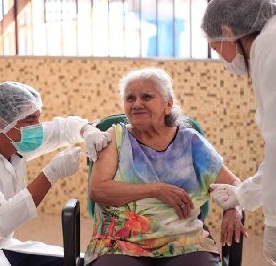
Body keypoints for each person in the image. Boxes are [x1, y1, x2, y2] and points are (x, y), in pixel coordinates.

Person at [0, 81, 111, 266]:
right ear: (0, 123)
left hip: (0, 248)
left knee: (76, 262)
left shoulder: (14, 142)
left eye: (38, 118)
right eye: (30, 120)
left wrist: (88, 130)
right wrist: (51, 174)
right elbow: (1, 222)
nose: (37, 127)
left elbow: (62, 129)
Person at [83, 68, 246, 266]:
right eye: (130, 98)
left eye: (147, 97)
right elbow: (99, 190)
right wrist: (156, 189)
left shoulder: (191, 141)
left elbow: (233, 184)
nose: (137, 104)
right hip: (119, 243)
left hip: (184, 241)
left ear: (168, 104)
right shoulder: (114, 138)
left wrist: (233, 209)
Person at [201, 0, 276, 264]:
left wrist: (244, 195)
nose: (224, 61)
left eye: (217, 48)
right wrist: (244, 193)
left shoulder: (268, 46)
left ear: (229, 32)